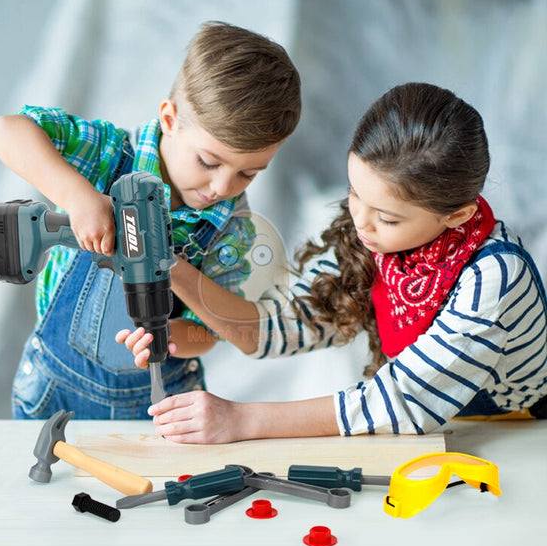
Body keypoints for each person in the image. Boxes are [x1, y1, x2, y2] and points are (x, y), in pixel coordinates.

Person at [119, 82, 547, 442]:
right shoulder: (374, 236)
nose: (359, 220)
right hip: (442, 430)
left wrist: (241, 420)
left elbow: (403, 401)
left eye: (388, 216)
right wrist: (169, 267)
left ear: (456, 216)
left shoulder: (493, 276)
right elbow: (280, 325)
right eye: (355, 192)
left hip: (519, 435)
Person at [0, 21, 301, 419]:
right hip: (53, 390)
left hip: (157, 400)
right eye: (208, 161)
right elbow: (5, 130)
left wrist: (166, 336)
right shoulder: (107, 155)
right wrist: (77, 195)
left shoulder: (231, 228)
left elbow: (211, 333)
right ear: (170, 119)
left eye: (248, 173)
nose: (222, 186)